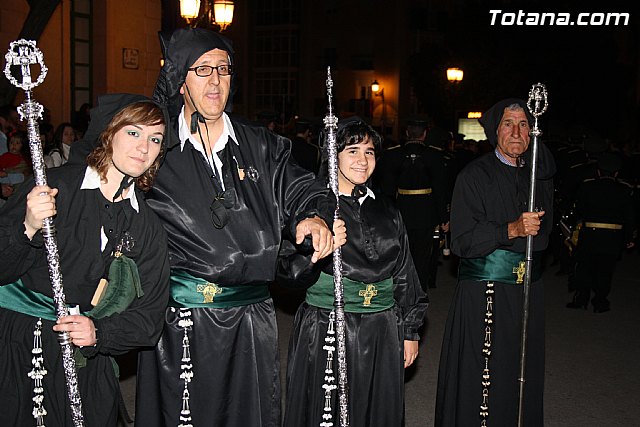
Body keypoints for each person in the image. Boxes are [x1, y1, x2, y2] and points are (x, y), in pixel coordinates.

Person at [135, 28, 336, 427]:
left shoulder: (260, 144)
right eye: (203, 69)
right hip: (184, 321)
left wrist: (312, 215)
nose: (216, 80)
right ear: (179, 79)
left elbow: (303, 187)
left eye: (224, 69)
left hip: (252, 318)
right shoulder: (154, 150)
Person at [0, 93, 171, 426]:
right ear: (108, 134)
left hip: (86, 360)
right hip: (23, 345)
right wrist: (28, 227)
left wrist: (100, 333)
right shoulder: (54, 187)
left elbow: (149, 318)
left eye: (155, 139)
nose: (144, 147)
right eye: (133, 132)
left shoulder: (147, 225)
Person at [278, 117, 427, 426]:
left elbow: (404, 272)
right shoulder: (313, 207)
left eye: (370, 152)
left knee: (375, 410)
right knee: (328, 411)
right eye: (353, 151)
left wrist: (410, 330)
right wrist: (317, 248)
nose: (363, 160)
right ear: (333, 155)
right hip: (328, 325)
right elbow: (285, 270)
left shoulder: (387, 209)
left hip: (383, 327)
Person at [435, 99, 556, 426]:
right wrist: (511, 229)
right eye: (508, 124)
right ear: (494, 131)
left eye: (524, 124)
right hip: (485, 294)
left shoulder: (538, 178)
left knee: (522, 373)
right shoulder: (474, 176)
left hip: (528, 290)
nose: (516, 132)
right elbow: (461, 241)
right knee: (486, 377)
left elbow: (544, 240)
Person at [374, 118, 449, 291]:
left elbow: (386, 189)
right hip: (426, 211)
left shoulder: (393, 154)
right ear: (424, 134)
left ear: (407, 133)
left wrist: (386, 215)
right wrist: (444, 217)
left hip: (402, 210)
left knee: (401, 252)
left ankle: (401, 288)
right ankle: (420, 290)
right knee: (422, 254)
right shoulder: (434, 155)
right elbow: (440, 189)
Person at [566, 152, 635, 313]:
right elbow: (630, 216)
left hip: (590, 234)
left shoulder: (588, 186)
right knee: (605, 271)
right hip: (612, 237)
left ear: (598, 171)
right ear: (616, 173)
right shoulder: (625, 190)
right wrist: (629, 237)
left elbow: (579, 210)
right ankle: (600, 302)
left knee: (585, 268)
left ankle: (581, 299)